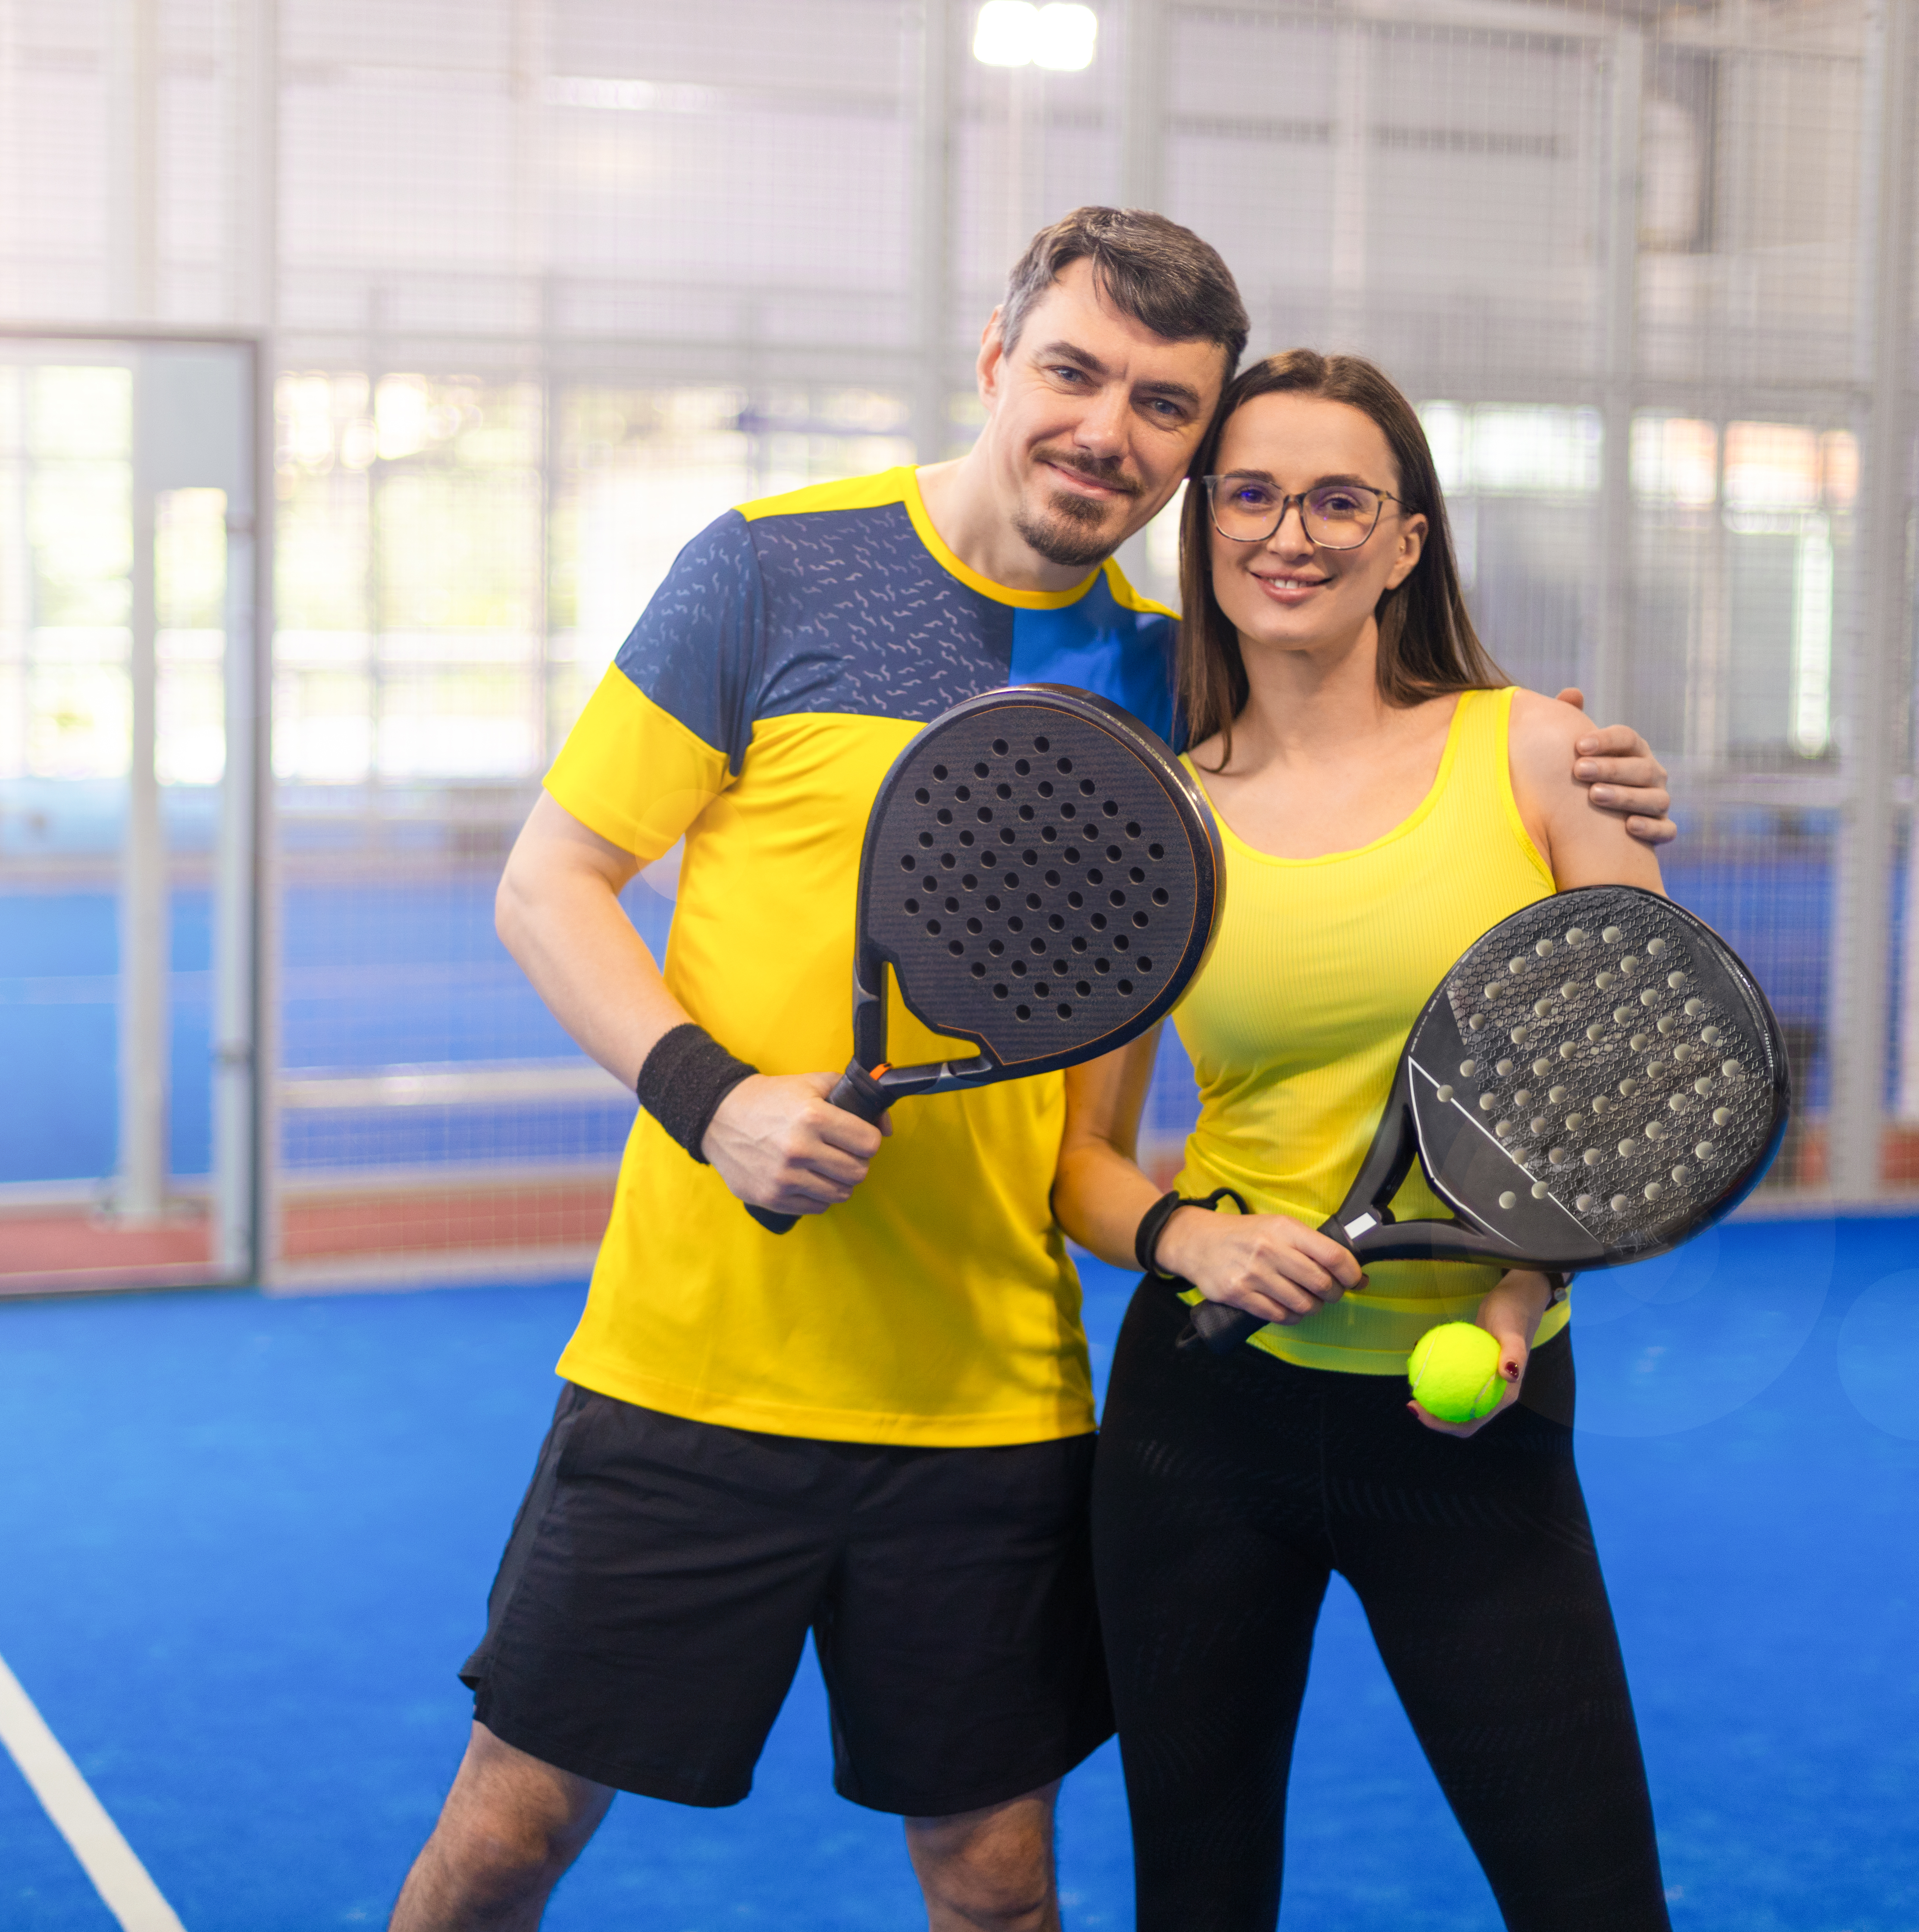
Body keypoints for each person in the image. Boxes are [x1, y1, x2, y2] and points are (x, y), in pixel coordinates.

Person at [390, 212, 1678, 1932]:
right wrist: (715, 1097)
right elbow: (546, 881)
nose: (1108, 430)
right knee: (506, 1837)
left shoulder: (1163, 687)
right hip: (690, 1371)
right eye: (1075, 371)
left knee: (1001, 1894)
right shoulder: (771, 564)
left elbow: (1315, 841)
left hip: (996, 1399)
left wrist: (1574, 761)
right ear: (999, 359)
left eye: (1164, 405)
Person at [1053, 350, 1676, 1931]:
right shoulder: (1155, 816)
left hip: (1469, 1420)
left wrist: (1518, 1301)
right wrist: (1194, 1238)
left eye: (1342, 500)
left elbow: (1642, 1093)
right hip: (1201, 1421)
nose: (1292, 534)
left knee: (1593, 1902)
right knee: (1199, 1902)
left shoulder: (1542, 756)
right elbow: (1080, 1163)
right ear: (1206, 533)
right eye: (1251, 495)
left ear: (1406, 542)